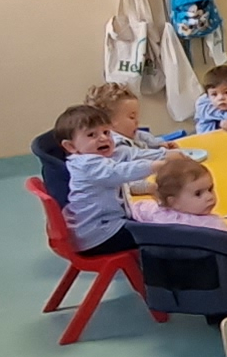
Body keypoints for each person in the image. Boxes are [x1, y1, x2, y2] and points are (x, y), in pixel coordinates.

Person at [54, 104, 162, 255]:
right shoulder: (87, 164)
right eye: (92, 135)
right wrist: (155, 166)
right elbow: (117, 173)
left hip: (92, 231)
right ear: (71, 146)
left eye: (106, 132)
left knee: (152, 222)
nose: (103, 138)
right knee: (161, 234)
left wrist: (148, 184)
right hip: (100, 235)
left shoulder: (88, 161)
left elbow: (120, 179)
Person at [129, 155, 227, 232]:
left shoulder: (152, 213)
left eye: (210, 189)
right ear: (174, 202)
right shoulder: (212, 226)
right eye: (198, 194)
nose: (209, 197)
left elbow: (135, 209)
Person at [85, 82, 167, 149]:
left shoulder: (132, 134)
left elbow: (143, 136)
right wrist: (163, 153)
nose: (137, 121)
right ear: (109, 122)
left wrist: (160, 144)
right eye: (132, 117)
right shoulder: (115, 144)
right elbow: (139, 156)